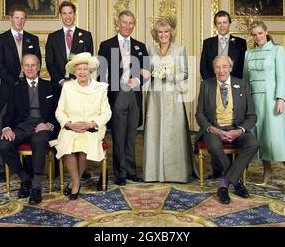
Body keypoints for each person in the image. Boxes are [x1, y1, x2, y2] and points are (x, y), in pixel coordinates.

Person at [196, 55, 259, 204]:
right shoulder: (206, 84)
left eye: (224, 67)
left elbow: (252, 116)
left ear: (230, 68)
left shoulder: (242, 84)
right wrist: (214, 130)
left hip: (236, 128)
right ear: (214, 69)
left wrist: (239, 131)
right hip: (214, 129)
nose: (221, 70)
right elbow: (199, 114)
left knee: (253, 144)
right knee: (214, 146)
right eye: (217, 67)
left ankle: (224, 185)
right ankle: (236, 183)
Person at [243, 20, 285, 192]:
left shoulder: (277, 50)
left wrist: (281, 98)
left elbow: (281, 77)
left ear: (266, 32)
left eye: (260, 33)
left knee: (277, 137)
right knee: (260, 137)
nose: (258, 37)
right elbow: (245, 80)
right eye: (254, 34)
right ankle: (267, 171)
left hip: (273, 101)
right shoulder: (248, 54)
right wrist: (244, 102)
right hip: (254, 101)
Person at [50, 53, 112, 200]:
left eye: (85, 69)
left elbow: (106, 113)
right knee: (68, 147)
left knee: (83, 146)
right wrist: (69, 124)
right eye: (79, 69)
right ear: (74, 71)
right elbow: (60, 111)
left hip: (92, 128)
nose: (82, 72)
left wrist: (91, 124)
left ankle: (73, 183)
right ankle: (76, 182)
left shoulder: (100, 88)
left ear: (90, 71)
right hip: (71, 126)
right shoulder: (68, 88)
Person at [98, 10, 149, 186]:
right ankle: (120, 173)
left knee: (131, 135)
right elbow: (100, 74)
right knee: (119, 135)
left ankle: (131, 171)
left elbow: (147, 71)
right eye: (124, 22)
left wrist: (139, 79)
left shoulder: (140, 46)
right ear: (117, 24)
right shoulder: (106, 45)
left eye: (131, 23)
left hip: (134, 95)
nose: (128, 26)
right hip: (116, 94)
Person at [143, 18, 197, 183]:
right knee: (155, 131)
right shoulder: (150, 50)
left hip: (173, 96)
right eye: (160, 32)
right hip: (155, 97)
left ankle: (177, 173)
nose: (163, 35)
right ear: (156, 34)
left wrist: (172, 76)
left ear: (171, 33)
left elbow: (185, 73)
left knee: (175, 131)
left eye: (166, 32)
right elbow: (147, 73)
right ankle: (153, 173)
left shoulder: (179, 50)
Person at [0, 54, 56, 205]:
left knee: (39, 140)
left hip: (42, 126)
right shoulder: (16, 88)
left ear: (39, 67)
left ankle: (36, 187)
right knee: (3, 144)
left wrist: (48, 124)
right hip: (22, 127)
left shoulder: (50, 86)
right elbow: (8, 112)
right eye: (26, 65)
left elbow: (58, 112)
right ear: (22, 68)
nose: (30, 68)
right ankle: (25, 179)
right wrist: (6, 128)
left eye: (33, 65)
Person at [0, 4, 41, 183]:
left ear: (25, 19)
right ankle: (1, 168)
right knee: (5, 125)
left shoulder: (32, 39)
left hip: (28, 87)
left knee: (25, 123)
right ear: (10, 18)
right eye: (16, 17)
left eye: (22, 18)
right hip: (9, 88)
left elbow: (37, 62)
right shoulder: (0, 39)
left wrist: (28, 81)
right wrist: (15, 82)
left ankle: (28, 164)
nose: (19, 21)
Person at [45, 1, 94, 180]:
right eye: (64, 13)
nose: (67, 16)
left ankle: (82, 168)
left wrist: (74, 81)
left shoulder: (86, 36)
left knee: (80, 124)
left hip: (79, 87)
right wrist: (61, 80)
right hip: (59, 87)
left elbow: (88, 62)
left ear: (75, 14)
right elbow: (50, 62)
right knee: (61, 125)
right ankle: (59, 167)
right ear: (60, 15)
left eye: (70, 13)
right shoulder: (53, 37)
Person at [199, 10, 247, 178]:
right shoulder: (208, 42)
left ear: (229, 23)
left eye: (224, 22)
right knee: (214, 123)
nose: (222, 25)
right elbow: (203, 66)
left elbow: (241, 68)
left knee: (233, 124)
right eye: (218, 22)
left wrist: (233, 85)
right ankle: (217, 170)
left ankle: (231, 167)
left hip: (233, 87)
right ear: (215, 24)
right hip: (213, 87)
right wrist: (212, 86)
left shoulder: (240, 43)